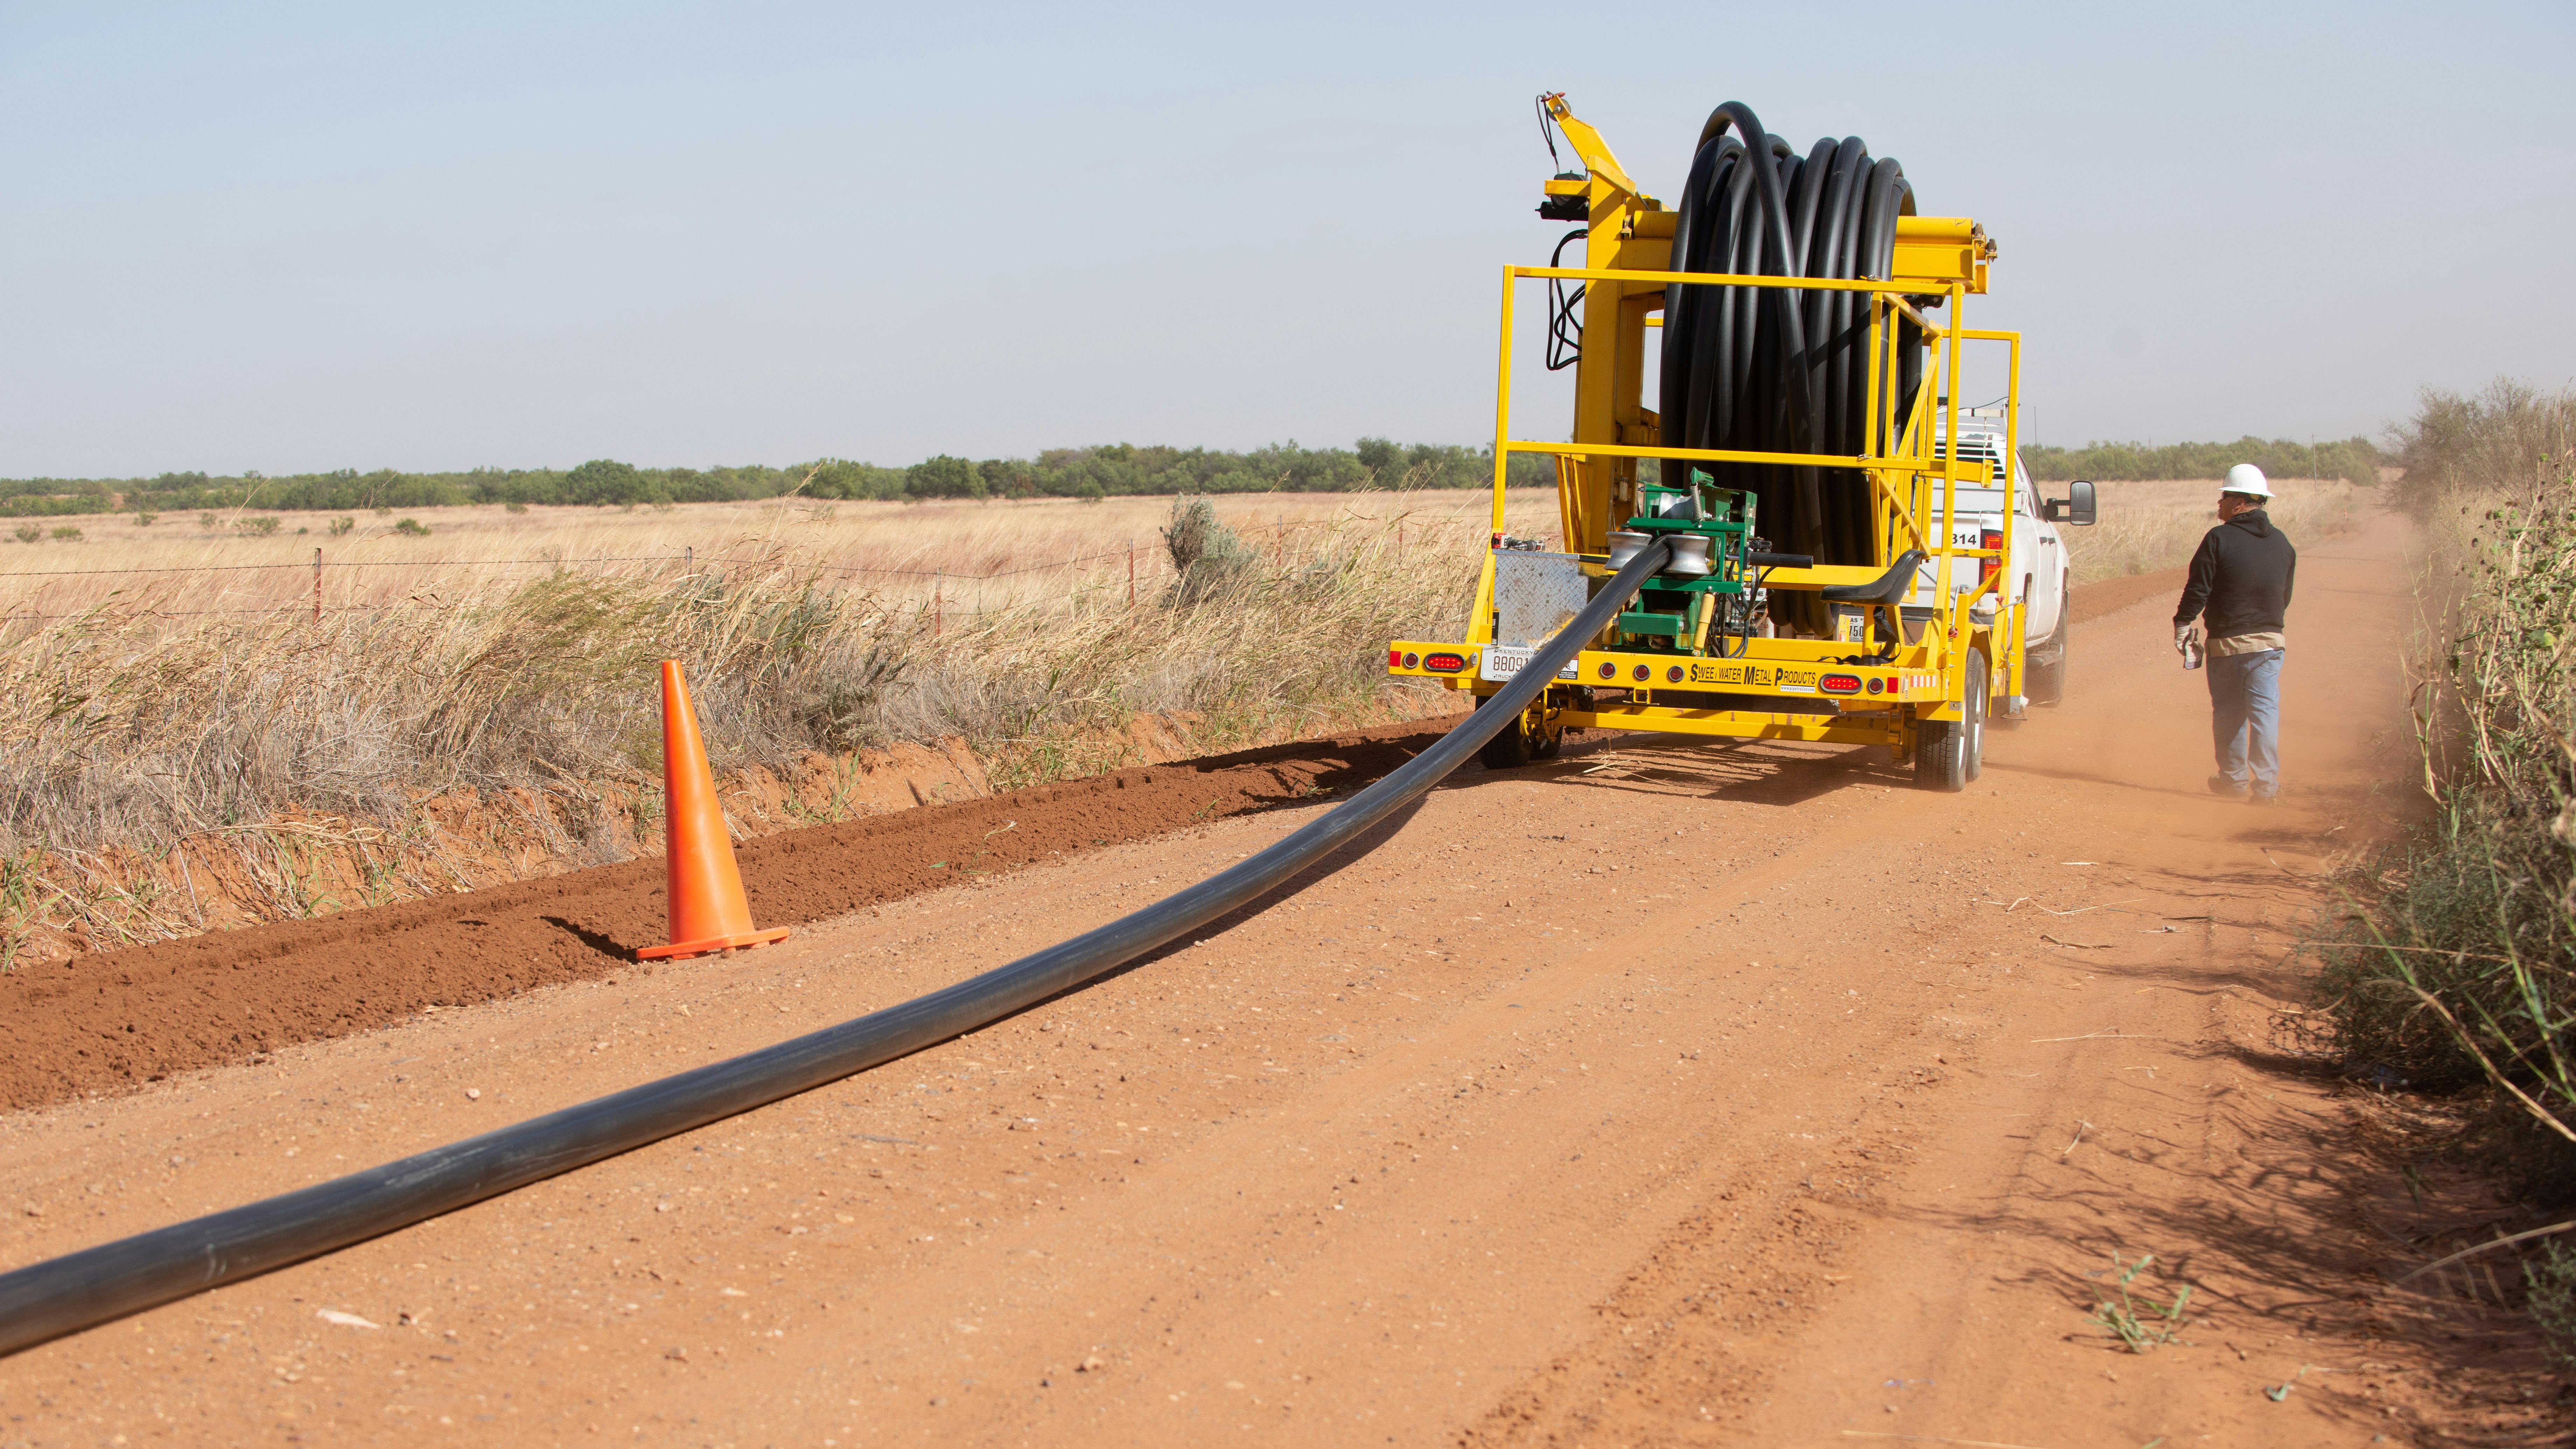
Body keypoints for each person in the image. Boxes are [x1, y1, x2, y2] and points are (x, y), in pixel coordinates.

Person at [2174, 464, 2296, 803]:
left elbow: (2197, 588)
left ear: (2239, 504)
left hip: (2227, 645)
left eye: (2224, 497)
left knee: (2229, 714)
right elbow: (2283, 595)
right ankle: (2266, 789)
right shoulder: (2283, 543)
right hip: (2271, 645)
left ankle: (2233, 781)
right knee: (2264, 714)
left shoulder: (2218, 538)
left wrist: (2182, 624)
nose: (2219, 504)